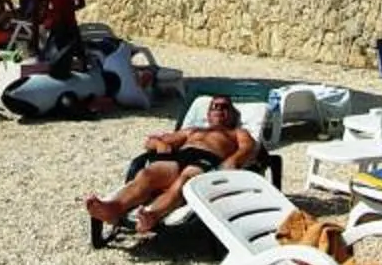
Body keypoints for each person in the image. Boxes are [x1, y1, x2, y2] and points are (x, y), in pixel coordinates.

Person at [84, 97, 255, 238]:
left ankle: (152, 215)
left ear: (233, 114)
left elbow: (248, 148)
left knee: (185, 180)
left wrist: (233, 161)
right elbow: (151, 141)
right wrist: (160, 144)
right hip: (178, 157)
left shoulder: (237, 133)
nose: (218, 108)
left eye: (224, 107)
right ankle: (113, 209)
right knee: (146, 174)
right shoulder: (193, 131)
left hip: (208, 160)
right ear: (208, 115)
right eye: (214, 106)